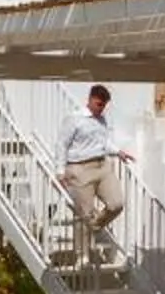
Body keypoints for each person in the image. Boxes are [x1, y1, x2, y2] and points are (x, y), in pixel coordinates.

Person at [56, 84, 134, 264]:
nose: (101, 108)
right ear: (90, 99)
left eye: (104, 105)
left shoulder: (102, 120)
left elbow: (104, 143)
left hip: (101, 166)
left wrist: (118, 152)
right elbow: (61, 144)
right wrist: (60, 171)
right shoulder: (74, 119)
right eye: (99, 104)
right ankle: (82, 255)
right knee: (84, 212)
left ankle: (94, 226)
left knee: (116, 203)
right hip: (79, 168)